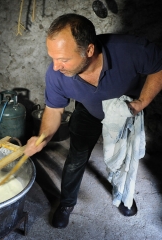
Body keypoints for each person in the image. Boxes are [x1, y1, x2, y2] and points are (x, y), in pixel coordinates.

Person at [24, 13, 162, 229]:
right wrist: (43, 137)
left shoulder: (131, 50)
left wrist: (141, 102)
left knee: (124, 159)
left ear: (88, 50)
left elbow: (159, 66)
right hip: (88, 111)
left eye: (63, 59)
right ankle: (67, 204)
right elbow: (54, 109)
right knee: (75, 158)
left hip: (124, 111)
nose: (55, 66)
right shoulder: (55, 74)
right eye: (53, 57)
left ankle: (123, 196)